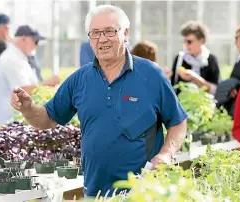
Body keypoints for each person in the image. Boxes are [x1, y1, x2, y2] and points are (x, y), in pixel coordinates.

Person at [10, 5, 188, 197]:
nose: (102, 39)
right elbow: (47, 118)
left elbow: (178, 121)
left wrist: (166, 153)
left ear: (125, 33)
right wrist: (28, 109)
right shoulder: (79, 79)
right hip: (95, 192)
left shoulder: (150, 74)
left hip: (143, 191)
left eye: (109, 31)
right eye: (95, 33)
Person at [0, 25, 60, 125]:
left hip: (18, 121)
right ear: (23, 39)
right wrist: (49, 83)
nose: (37, 45)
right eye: (35, 41)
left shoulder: (19, 57)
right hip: (13, 123)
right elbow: (23, 91)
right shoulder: (12, 59)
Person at [170, 21, 221, 95]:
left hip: (204, 105)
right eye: (185, 41)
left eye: (189, 41)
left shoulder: (211, 60)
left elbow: (216, 90)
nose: (186, 45)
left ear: (202, 41)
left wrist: (194, 78)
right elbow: (173, 86)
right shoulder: (180, 59)